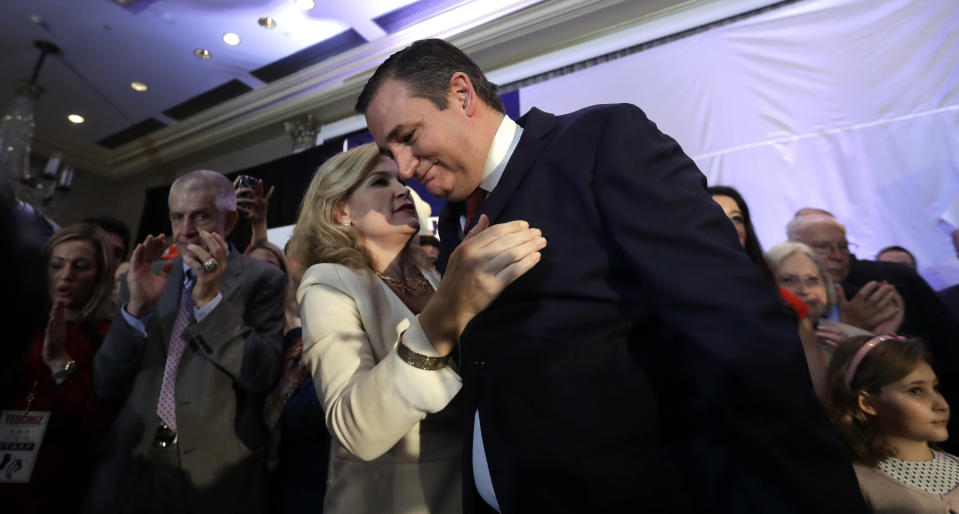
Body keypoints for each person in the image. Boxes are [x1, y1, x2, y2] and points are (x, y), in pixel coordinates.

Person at [356, 38, 866, 513]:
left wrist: (809, 489)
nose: (402, 167)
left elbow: (734, 328)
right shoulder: (452, 218)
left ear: (462, 94)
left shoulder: (600, 141)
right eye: (389, 152)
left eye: (408, 137)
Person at [288, 142, 543, 513]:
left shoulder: (435, 279)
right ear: (341, 210)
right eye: (379, 181)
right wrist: (440, 322)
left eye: (399, 179)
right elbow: (354, 427)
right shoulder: (328, 282)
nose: (403, 189)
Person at [86, 170, 287, 514]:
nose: (185, 229)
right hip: (130, 465)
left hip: (214, 473)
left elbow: (263, 374)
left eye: (201, 215)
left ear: (229, 221)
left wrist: (210, 302)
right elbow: (106, 383)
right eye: (177, 216)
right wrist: (136, 310)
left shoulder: (263, 279)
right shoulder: (148, 277)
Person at [0, 223, 117, 513]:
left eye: (80, 266)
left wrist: (60, 362)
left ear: (100, 275)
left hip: (58, 482)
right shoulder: (23, 322)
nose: (66, 276)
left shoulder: (108, 335)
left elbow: (102, 421)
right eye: (56, 265)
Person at [826, 335, 959, 512]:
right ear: (869, 403)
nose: (941, 405)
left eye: (935, 388)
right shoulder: (854, 486)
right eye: (915, 391)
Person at [765, 241, 875, 354]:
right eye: (787, 280)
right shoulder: (758, 343)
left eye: (813, 279)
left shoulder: (861, 344)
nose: (804, 290)